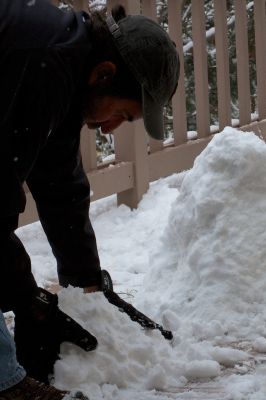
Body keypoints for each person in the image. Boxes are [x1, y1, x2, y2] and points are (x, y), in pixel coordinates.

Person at [0, 0, 179, 398]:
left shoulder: (64, 67)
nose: (112, 128)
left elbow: (61, 183)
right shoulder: (40, 63)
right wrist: (28, 300)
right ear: (104, 74)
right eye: (123, 114)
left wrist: (86, 283)